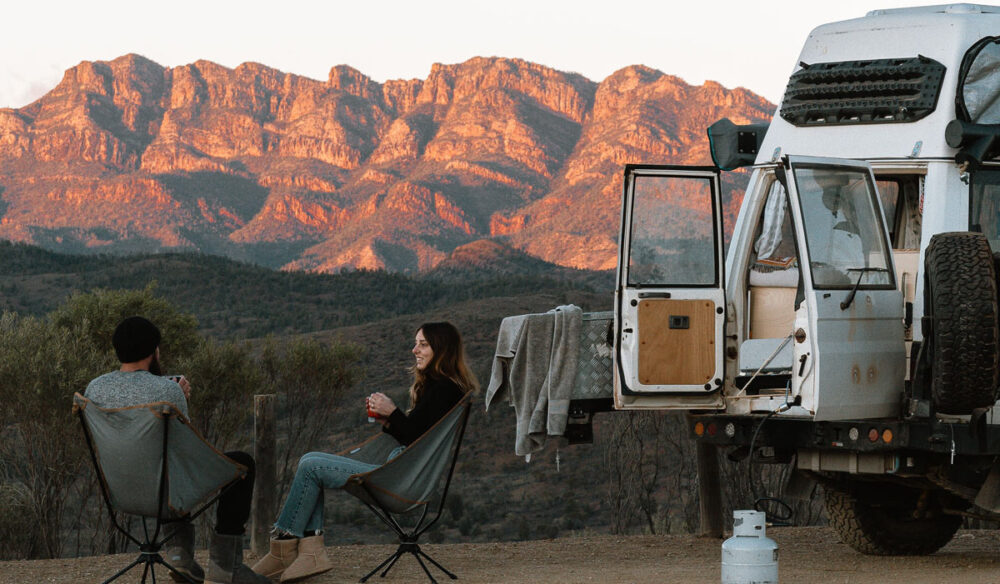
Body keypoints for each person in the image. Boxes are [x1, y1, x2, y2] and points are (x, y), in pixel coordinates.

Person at [252, 322, 478, 583]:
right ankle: (309, 551)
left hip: (400, 480)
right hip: (401, 474)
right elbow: (417, 436)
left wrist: (392, 411)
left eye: (423, 344)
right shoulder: (442, 387)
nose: (414, 349)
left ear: (442, 349)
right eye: (416, 343)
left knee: (311, 465)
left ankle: (285, 552)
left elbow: (415, 439)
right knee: (310, 464)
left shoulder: (444, 389)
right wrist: (389, 421)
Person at [85, 316, 269, 584]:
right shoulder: (168, 391)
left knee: (163, 463)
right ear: (153, 351)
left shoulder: (95, 388)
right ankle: (226, 569)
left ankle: (180, 558)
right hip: (164, 493)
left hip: (120, 492)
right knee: (242, 463)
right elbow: (187, 448)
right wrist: (178, 394)